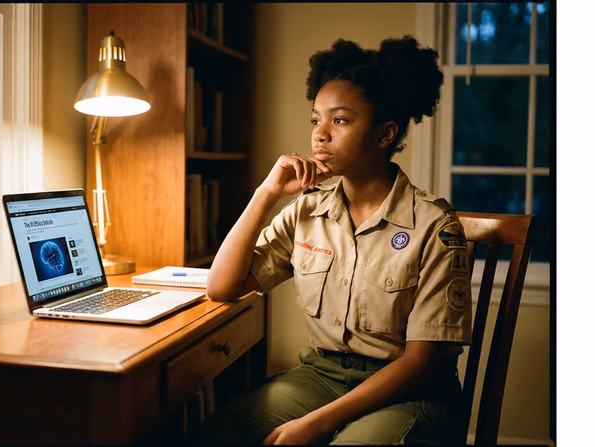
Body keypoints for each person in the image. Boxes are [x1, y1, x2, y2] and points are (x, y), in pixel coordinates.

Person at [197, 34, 473, 446]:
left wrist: (318, 423)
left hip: (410, 393)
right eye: (315, 120)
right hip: (321, 378)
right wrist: (266, 195)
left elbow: (420, 363)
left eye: (339, 120)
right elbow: (222, 287)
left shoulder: (434, 225)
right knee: (214, 435)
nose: (320, 135)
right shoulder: (308, 210)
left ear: (385, 134)